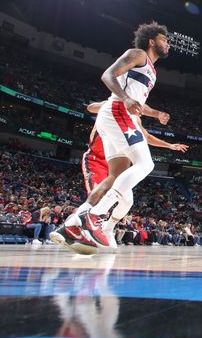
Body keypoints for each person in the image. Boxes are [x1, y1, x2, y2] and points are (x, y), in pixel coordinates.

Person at [61, 22, 172, 249]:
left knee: (116, 175)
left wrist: (155, 113)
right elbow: (108, 75)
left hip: (116, 116)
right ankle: (95, 216)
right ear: (152, 41)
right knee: (146, 164)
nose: (167, 44)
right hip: (117, 112)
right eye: (163, 40)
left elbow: (138, 100)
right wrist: (125, 98)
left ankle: (72, 224)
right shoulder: (138, 54)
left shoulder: (151, 69)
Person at [51, 100, 187, 252]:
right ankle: (70, 230)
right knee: (98, 199)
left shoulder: (135, 119)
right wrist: (117, 101)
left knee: (127, 201)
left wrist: (169, 145)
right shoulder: (112, 108)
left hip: (118, 165)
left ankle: (107, 229)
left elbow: (147, 137)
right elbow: (90, 107)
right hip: (97, 160)